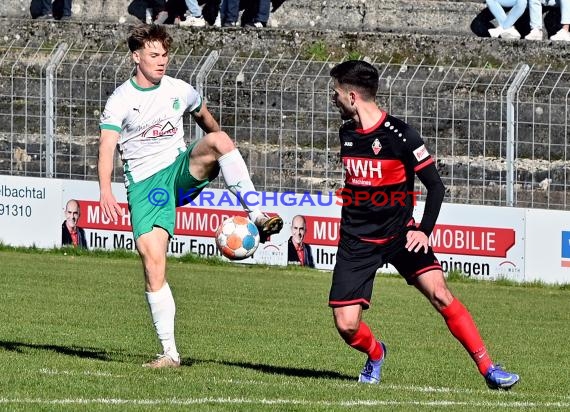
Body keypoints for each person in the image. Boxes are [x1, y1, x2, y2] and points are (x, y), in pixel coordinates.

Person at [98, 23, 283, 368]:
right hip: (147, 185)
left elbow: (206, 120)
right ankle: (169, 353)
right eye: (154, 54)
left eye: (165, 54)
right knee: (153, 263)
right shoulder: (121, 100)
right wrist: (106, 190)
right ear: (135, 57)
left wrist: (228, 154)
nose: (161, 60)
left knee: (220, 140)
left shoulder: (179, 89)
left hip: (181, 170)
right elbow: (107, 147)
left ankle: (257, 214)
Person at [327, 60, 519, 389]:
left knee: (441, 294)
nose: (333, 99)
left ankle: (489, 368)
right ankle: (376, 353)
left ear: (353, 96)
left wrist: (422, 231)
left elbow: (436, 186)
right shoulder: (347, 133)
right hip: (356, 241)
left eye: (336, 93)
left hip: (402, 235)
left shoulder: (401, 135)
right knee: (346, 326)